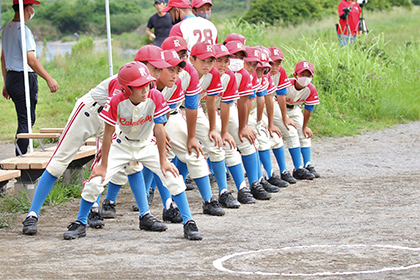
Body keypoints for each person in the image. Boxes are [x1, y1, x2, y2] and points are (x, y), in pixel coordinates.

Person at [63, 61, 203, 241]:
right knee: (95, 181)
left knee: (172, 177)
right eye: (139, 86)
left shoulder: (155, 97)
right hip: (121, 144)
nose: (145, 89)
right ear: (127, 89)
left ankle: (189, 222)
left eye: (147, 84)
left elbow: (160, 130)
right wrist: (103, 165)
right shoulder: (116, 100)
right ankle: (80, 222)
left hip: (146, 145)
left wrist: (163, 161)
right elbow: (108, 133)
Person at [1, 0, 59, 156]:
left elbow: (3, 58)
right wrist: (49, 79)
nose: (33, 10)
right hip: (23, 78)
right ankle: (21, 158)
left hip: (12, 77)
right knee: (26, 120)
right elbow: (31, 59)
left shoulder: (7, 29)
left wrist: (6, 82)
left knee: (25, 118)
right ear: (27, 8)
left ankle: (20, 153)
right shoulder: (23, 30)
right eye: (32, 6)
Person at [275, 60, 320, 179]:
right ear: (295, 75)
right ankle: (298, 168)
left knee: (303, 133)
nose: (305, 77)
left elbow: (308, 109)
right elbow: (280, 99)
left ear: (312, 76)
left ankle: (307, 164)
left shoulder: (311, 89)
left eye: (308, 75)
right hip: (280, 108)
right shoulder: (287, 83)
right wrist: (285, 118)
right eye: (302, 74)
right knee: (291, 131)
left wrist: (305, 126)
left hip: (294, 109)